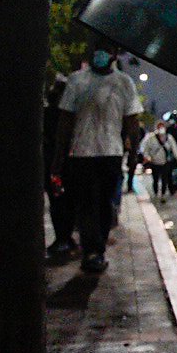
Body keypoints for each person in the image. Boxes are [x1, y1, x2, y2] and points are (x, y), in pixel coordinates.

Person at [54, 40, 142, 274]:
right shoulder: (77, 80)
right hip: (81, 154)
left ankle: (98, 249)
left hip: (110, 153)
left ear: (114, 55)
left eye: (105, 50)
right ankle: (90, 251)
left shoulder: (123, 83)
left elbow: (132, 121)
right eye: (96, 50)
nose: (100, 54)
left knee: (104, 205)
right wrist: (58, 157)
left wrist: (134, 154)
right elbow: (65, 120)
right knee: (85, 205)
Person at [43, 76, 77, 257]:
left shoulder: (50, 114)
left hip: (55, 163)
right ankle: (65, 237)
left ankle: (62, 238)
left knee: (58, 201)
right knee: (67, 201)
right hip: (67, 163)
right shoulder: (71, 115)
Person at [139, 123, 177, 200]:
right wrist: (147, 157)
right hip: (154, 162)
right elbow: (146, 149)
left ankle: (163, 194)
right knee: (155, 179)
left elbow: (174, 149)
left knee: (164, 178)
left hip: (165, 162)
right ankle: (155, 192)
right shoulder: (151, 138)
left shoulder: (169, 138)